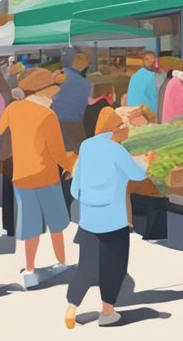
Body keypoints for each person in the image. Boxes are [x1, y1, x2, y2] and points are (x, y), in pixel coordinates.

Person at [64, 106, 152, 329]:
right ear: (117, 129)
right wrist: (148, 161)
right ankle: (107, 313)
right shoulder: (116, 149)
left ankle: (71, 308)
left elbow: (75, 188)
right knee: (114, 266)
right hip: (114, 221)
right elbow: (137, 174)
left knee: (86, 265)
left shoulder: (87, 146)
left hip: (89, 221)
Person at [0, 68, 76, 289]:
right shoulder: (47, 115)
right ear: (45, 92)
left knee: (30, 222)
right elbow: (57, 151)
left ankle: (30, 269)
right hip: (45, 174)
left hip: (21, 175)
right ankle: (60, 262)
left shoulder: (14, 109)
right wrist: (70, 166)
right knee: (56, 221)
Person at [53, 53, 92, 151]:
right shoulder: (85, 84)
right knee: (78, 152)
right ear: (84, 69)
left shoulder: (56, 76)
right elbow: (83, 108)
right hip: (73, 122)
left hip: (53, 119)